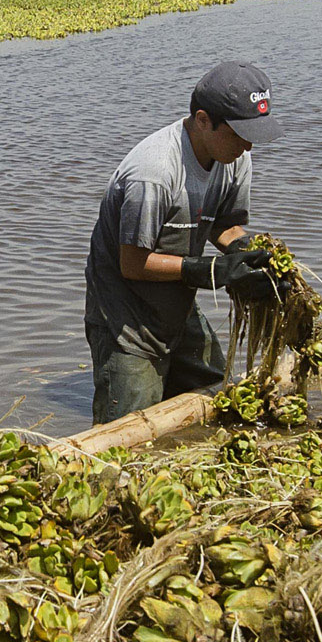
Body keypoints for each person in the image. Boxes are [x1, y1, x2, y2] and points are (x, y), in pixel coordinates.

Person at [83, 61, 282, 424]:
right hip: (125, 315)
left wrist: (249, 257)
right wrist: (211, 271)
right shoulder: (154, 173)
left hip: (175, 300)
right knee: (126, 434)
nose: (248, 144)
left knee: (220, 400)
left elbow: (225, 225)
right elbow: (134, 264)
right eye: (239, 133)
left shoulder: (234, 157)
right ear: (204, 120)